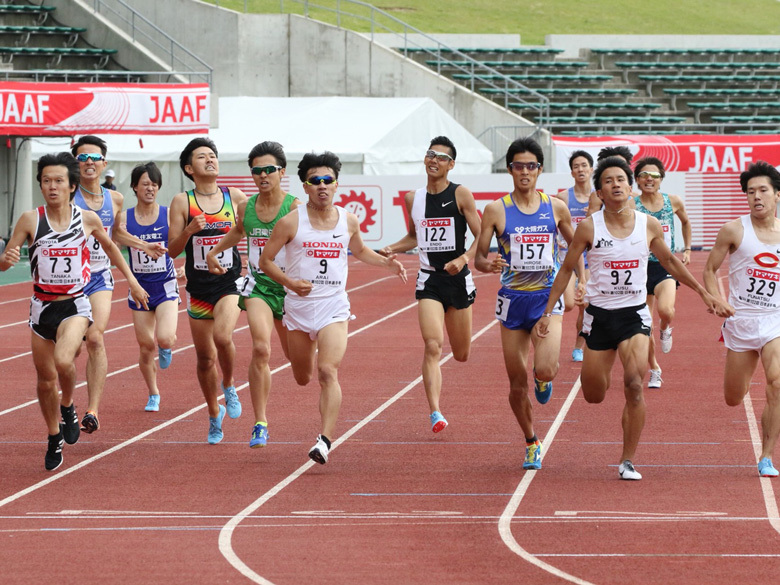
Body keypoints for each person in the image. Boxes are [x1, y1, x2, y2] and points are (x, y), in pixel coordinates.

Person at [536, 156, 732, 481]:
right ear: (599, 190)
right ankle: (602, 368)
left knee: (635, 385)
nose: (616, 184)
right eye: (608, 180)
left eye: (621, 180)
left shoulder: (647, 224)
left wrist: (704, 292)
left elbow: (670, 262)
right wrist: (548, 312)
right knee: (594, 394)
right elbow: (567, 268)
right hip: (599, 319)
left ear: (631, 187)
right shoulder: (589, 227)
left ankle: (627, 460)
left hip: (635, 316)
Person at [0, 152, 148, 471]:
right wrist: (6, 260)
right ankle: (54, 436)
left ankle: (68, 404)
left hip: (75, 303)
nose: (52, 187)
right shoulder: (30, 219)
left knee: (64, 360)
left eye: (58, 181)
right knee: (43, 381)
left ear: (71, 185)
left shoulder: (87, 219)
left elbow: (111, 250)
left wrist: (133, 282)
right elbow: (4, 260)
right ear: (40, 185)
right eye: (46, 181)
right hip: (42, 307)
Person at [258, 151, 406, 464]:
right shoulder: (289, 222)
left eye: (328, 180)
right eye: (316, 181)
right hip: (298, 309)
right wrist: (289, 282)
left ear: (336, 185)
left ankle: (324, 440)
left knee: (327, 370)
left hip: (333, 307)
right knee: (302, 376)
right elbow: (265, 261)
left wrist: (387, 264)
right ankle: (310, 353)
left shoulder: (348, 220)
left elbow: (361, 251)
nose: (323, 185)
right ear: (305, 186)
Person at [475, 137, 581, 471]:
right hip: (512, 302)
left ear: (539, 170)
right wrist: (488, 264)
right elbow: (478, 257)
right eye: (519, 166)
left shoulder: (556, 207)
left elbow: (577, 245)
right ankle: (531, 440)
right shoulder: (496, 210)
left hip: (547, 299)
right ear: (510, 169)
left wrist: (582, 283)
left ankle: (544, 378)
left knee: (546, 368)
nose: (525, 172)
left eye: (531, 166)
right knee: (516, 382)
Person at [380, 136, 481, 433]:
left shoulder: (462, 194)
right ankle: (435, 411)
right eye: (430, 154)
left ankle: (438, 403)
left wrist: (463, 259)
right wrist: (393, 248)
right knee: (433, 344)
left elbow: (481, 236)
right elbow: (415, 236)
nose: (433, 160)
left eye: (440, 157)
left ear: (451, 165)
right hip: (429, 278)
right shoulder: (414, 198)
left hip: (458, 280)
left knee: (461, 353)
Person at [206, 141, 299, 448]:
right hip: (259, 287)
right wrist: (216, 251)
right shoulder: (247, 207)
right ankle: (260, 422)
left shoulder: (295, 207)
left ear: (282, 172)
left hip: (289, 290)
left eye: (268, 170)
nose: (262, 175)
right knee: (261, 349)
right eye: (256, 170)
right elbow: (239, 230)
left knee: (301, 369)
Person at [71, 135, 164, 433]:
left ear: (104, 163)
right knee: (69, 352)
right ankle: (66, 405)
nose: (88, 163)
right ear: (75, 164)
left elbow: (114, 236)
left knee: (96, 338)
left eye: (94, 158)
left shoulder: (115, 199)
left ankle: (93, 411)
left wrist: (143, 246)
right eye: (82, 158)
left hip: (99, 277)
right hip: (69, 282)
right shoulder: (67, 195)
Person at [703, 161, 780, 478]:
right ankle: (744, 380)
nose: (756, 196)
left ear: (777, 194)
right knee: (733, 397)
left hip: (775, 319)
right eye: (750, 192)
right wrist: (715, 298)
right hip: (741, 321)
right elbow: (708, 270)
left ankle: (766, 456)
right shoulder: (734, 229)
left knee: (777, 383)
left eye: (763, 190)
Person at [167, 137, 246, 444]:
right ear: (190, 168)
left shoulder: (234, 196)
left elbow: (256, 228)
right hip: (199, 287)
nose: (210, 160)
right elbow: (172, 251)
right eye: (202, 157)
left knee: (223, 337)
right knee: (203, 359)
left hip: (228, 282)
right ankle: (215, 414)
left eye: (213, 155)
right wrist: (189, 230)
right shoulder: (181, 202)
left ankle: (229, 384)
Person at [120, 162, 179, 412]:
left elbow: (179, 243)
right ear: (135, 187)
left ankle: (166, 347)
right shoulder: (125, 217)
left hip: (165, 286)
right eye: (145, 184)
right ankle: (153, 393)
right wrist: (143, 245)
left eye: (154, 184)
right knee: (146, 346)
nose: (150, 188)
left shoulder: (167, 214)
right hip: (139, 288)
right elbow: (114, 237)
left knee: (165, 338)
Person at [633, 157, 692, 389]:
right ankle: (654, 368)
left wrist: (687, 249)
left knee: (666, 311)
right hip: (639, 269)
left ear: (661, 179)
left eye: (654, 175)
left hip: (665, 265)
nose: (649, 178)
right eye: (644, 175)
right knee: (644, 324)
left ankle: (666, 328)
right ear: (637, 180)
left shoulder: (673, 201)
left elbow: (686, 222)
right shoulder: (631, 205)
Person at [556, 150, 594, 362]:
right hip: (567, 258)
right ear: (572, 172)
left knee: (585, 304)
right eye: (576, 166)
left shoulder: (599, 197)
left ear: (591, 169)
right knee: (569, 303)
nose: (580, 169)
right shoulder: (563, 198)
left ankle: (579, 345)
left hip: (591, 259)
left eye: (584, 165)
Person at [587, 146, 638, 216]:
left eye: (622, 164)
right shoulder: (597, 196)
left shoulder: (637, 198)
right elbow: (591, 221)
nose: (617, 168)